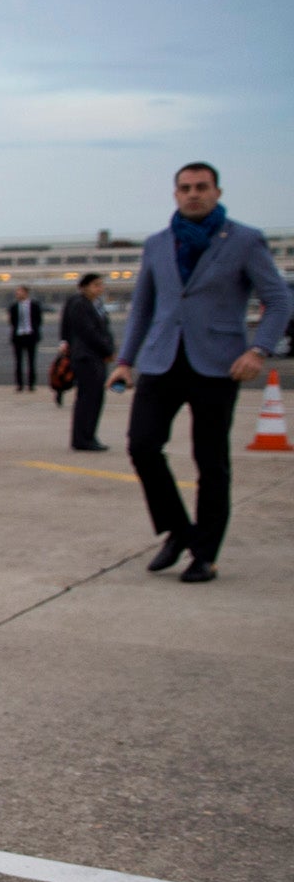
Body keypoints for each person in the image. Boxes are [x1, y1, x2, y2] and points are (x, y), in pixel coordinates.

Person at [114, 163, 291, 583]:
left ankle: (205, 554)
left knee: (211, 462)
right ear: (175, 194)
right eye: (185, 188)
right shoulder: (158, 244)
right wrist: (125, 360)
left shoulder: (245, 240)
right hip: (161, 360)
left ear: (217, 191)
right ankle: (178, 530)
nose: (193, 194)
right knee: (142, 446)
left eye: (201, 187)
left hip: (217, 364)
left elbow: (279, 300)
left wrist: (259, 349)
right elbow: (143, 307)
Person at [59, 272, 115, 451]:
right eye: (96, 285)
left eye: (101, 285)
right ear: (84, 287)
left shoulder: (96, 304)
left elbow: (104, 329)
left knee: (95, 398)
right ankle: (82, 438)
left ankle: (89, 435)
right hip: (86, 357)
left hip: (96, 356)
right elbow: (89, 332)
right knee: (87, 399)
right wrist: (107, 349)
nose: (100, 288)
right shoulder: (79, 304)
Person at [7, 285, 45, 392]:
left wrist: (35, 331)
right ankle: (19, 384)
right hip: (18, 336)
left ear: (26, 293)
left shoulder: (34, 305)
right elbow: (12, 321)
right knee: (18, 362)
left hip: (30, 335)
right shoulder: (14, 306)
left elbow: (38, 320)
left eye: (20, 292)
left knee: (31, 361)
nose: (17, 294)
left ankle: (31, 384)